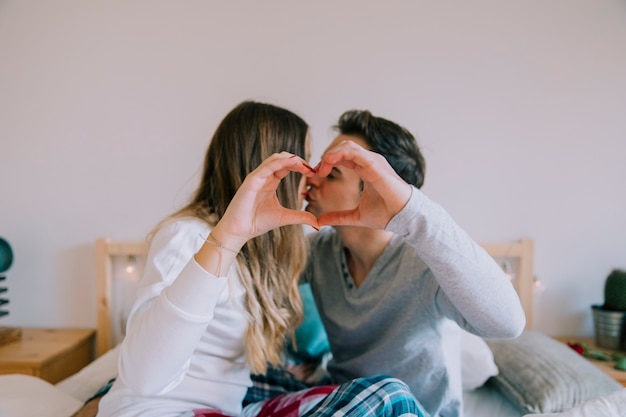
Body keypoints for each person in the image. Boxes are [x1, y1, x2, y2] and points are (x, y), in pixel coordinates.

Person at [96, 101, 426, 417]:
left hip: (228, 407)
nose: (312, 178)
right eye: (304, 163)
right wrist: (227, 237)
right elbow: (144, 374)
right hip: (170, 411)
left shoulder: (275, 251)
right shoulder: (190, 237)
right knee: (389, 397)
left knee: (351, 390)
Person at [296, 110, 527, 417]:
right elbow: (248, 282)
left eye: (332, 173)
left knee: (386, 390)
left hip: (405, 409)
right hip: (347, 403)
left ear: (377, 190)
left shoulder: (426, 262)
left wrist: (412, 210)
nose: (311, 177)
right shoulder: (320, 252)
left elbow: (508, 323)